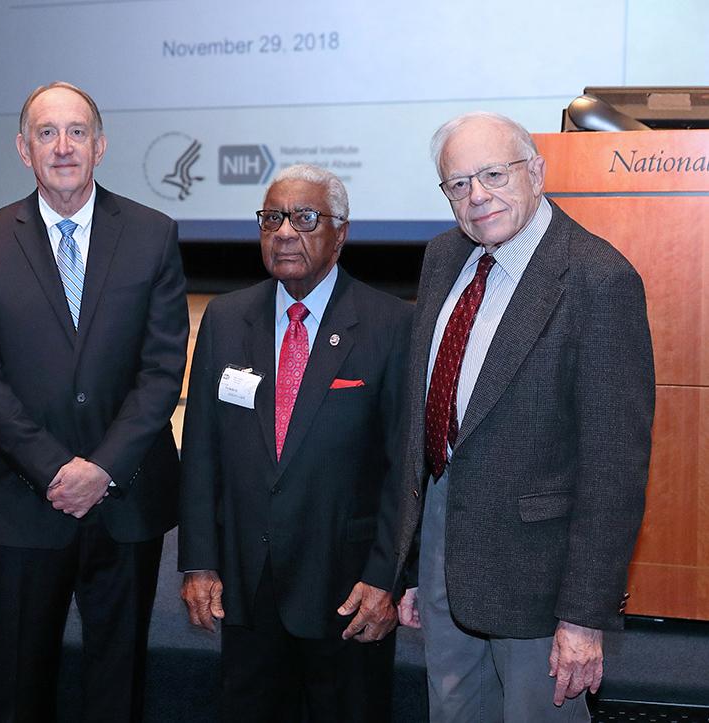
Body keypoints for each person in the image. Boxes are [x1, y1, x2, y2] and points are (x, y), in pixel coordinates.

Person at [393, 112, 655, 721]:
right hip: (442, 553)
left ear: (535, 172)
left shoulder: (598, 279)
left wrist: (585, 617)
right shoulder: (443, 257)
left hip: (540, 580)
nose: (476, 195)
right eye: (457, 184)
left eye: (492, 174)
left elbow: (614, 468)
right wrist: (411, 563)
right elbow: (424, 422)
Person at [0, 81, 188, 722]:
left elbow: (163, 369)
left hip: (127, 499)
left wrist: (102, 467)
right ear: (22, 149)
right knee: (20, 683)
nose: (63, 147)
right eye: (46, 133)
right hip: (24, 504)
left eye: (77, 132)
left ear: (101, 145)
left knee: (120, 682)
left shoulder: (152, 234)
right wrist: (54, 469)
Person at [177, 164, 411, 721]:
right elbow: (202, 452)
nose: (284, 232)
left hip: (347, 591)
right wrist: (200, 563)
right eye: (272, 218)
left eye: (305, 218)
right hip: (247, 588)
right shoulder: (226, 318)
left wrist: (386, 578)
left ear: (341, 233)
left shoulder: (390, 324)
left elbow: (405, 468)